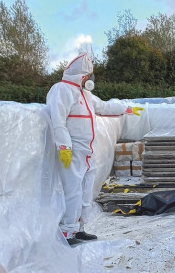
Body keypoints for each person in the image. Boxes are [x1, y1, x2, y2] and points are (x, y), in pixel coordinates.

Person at [46, 53, 143, 246]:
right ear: (83, 76)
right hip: (72, 153)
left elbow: (105, 107)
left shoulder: (86, 95)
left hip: (88, 153)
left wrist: (128, 109)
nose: (91, 79)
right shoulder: (62, 90)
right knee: (72, 191)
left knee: (86, 191)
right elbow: (58, 120)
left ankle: (79, 229)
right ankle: (67, 232)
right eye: (90, 75)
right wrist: (64, 146)